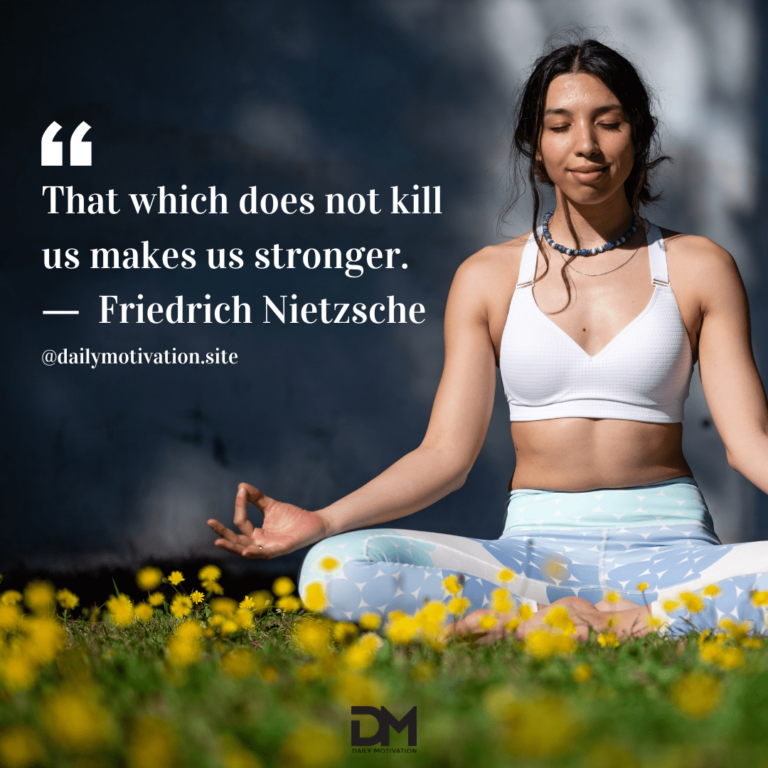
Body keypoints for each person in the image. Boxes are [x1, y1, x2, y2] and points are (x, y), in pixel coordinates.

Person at [207, 38, 768, 644]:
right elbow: (445, 455)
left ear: (639, 135)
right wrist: (322, 520)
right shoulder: (487, 278)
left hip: (675, 554)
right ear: (536, 147)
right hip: (535, 558)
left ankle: (614, 624)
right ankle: (616, 624)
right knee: (333, 570)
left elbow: (749, 443)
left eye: (608, 122)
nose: (586, 144)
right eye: (560, 126)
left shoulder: (698, 266)